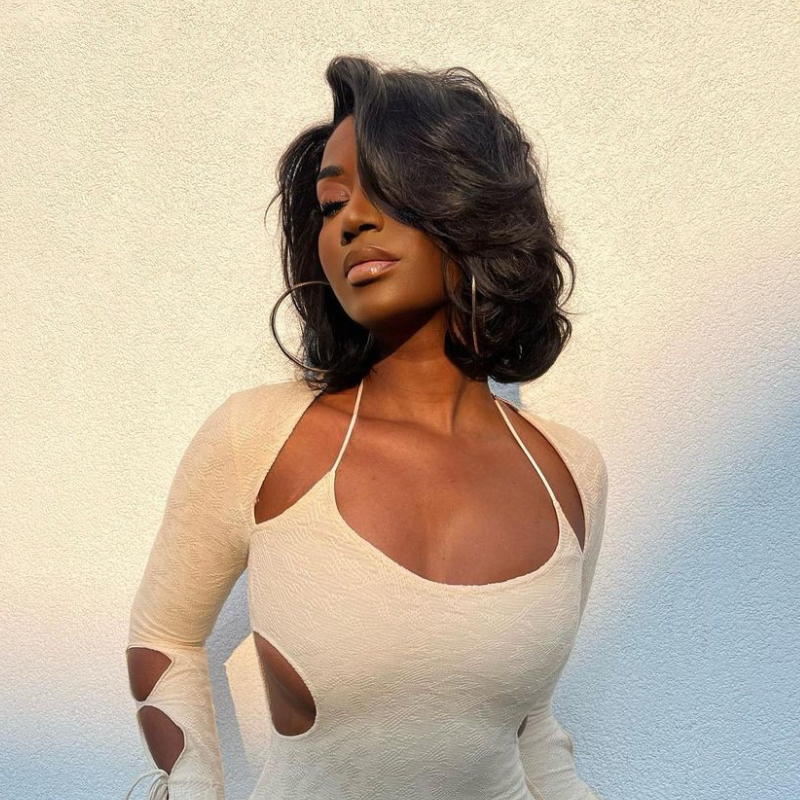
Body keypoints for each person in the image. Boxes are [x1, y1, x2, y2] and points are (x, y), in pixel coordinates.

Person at [123, 55, 608, 800]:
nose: (351, 219)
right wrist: (193, 786)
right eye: (331, 203)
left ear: (468, 204)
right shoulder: (260, 440)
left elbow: (529, 724)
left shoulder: (570, 472)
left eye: (384, 187)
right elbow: (166, 636)